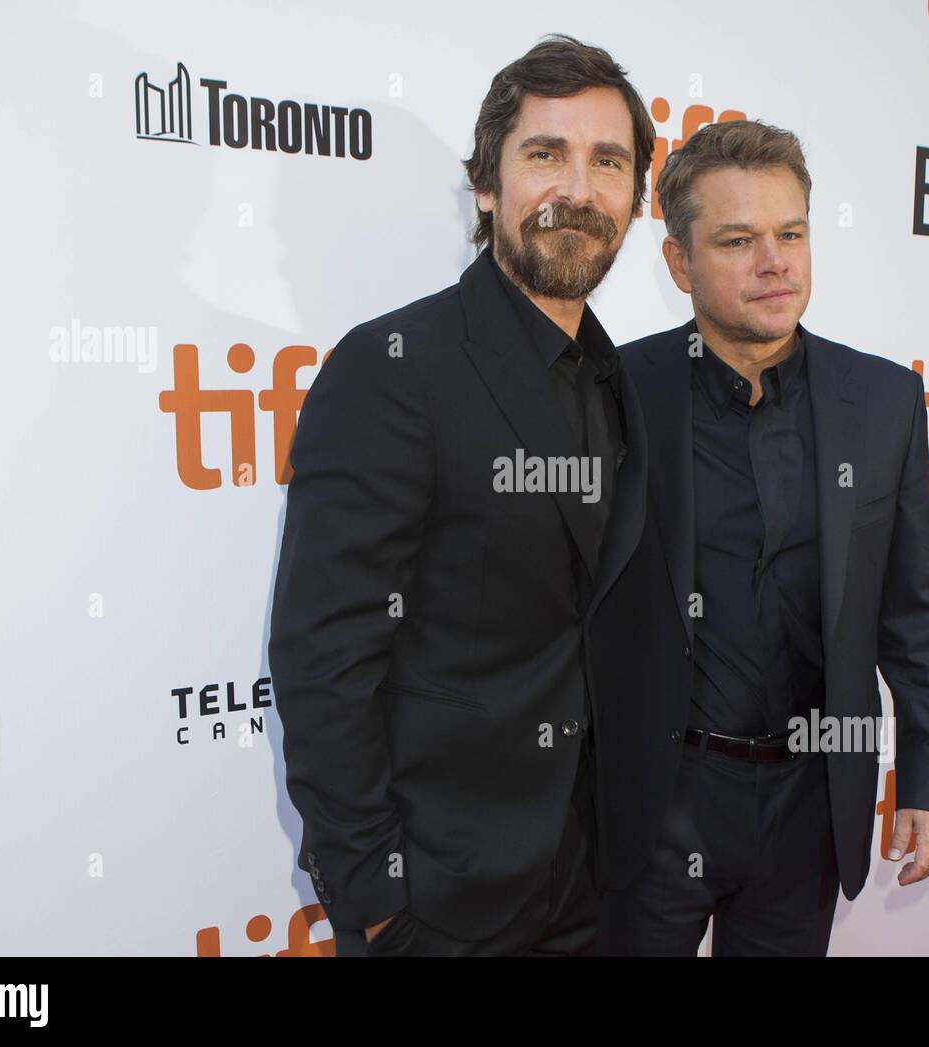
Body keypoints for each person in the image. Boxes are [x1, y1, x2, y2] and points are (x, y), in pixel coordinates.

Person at [267, 34, 655, 956]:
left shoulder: (616, 378)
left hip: (593, 881)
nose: (578, 187)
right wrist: (376, 901)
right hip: (439, 904)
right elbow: (324, 659)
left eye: (608, 161)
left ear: (637, 199)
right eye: (544, 153)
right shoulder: (396, 368)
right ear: (487, 185)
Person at [589, 119, 929, 956]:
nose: (776, 263)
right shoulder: (616, 393)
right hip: (657, 803)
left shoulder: (882, 402)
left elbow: (919, 613)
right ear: (680, 262)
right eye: (739, 240)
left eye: (791, 233)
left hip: (809, 805)